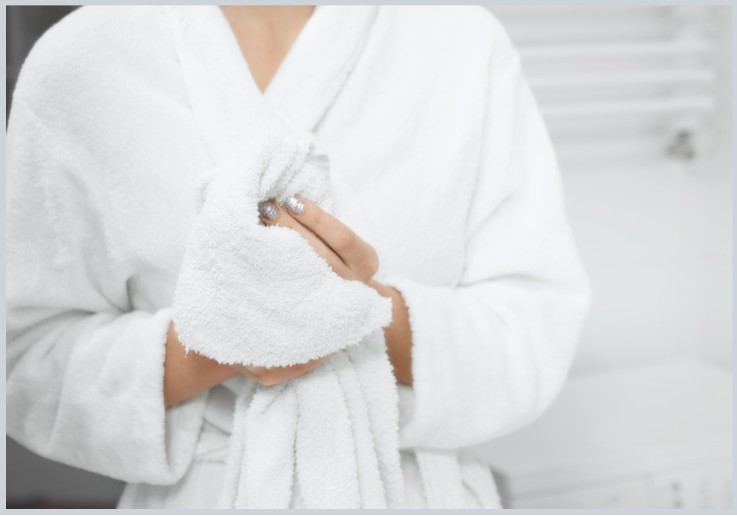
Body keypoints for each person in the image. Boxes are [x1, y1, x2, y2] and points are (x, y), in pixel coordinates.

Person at [6, 4, 591, 509]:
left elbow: (534, 327)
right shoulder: (85, 58)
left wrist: (354, 310)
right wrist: (219, 339)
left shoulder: (460, 40)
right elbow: (24, 359)